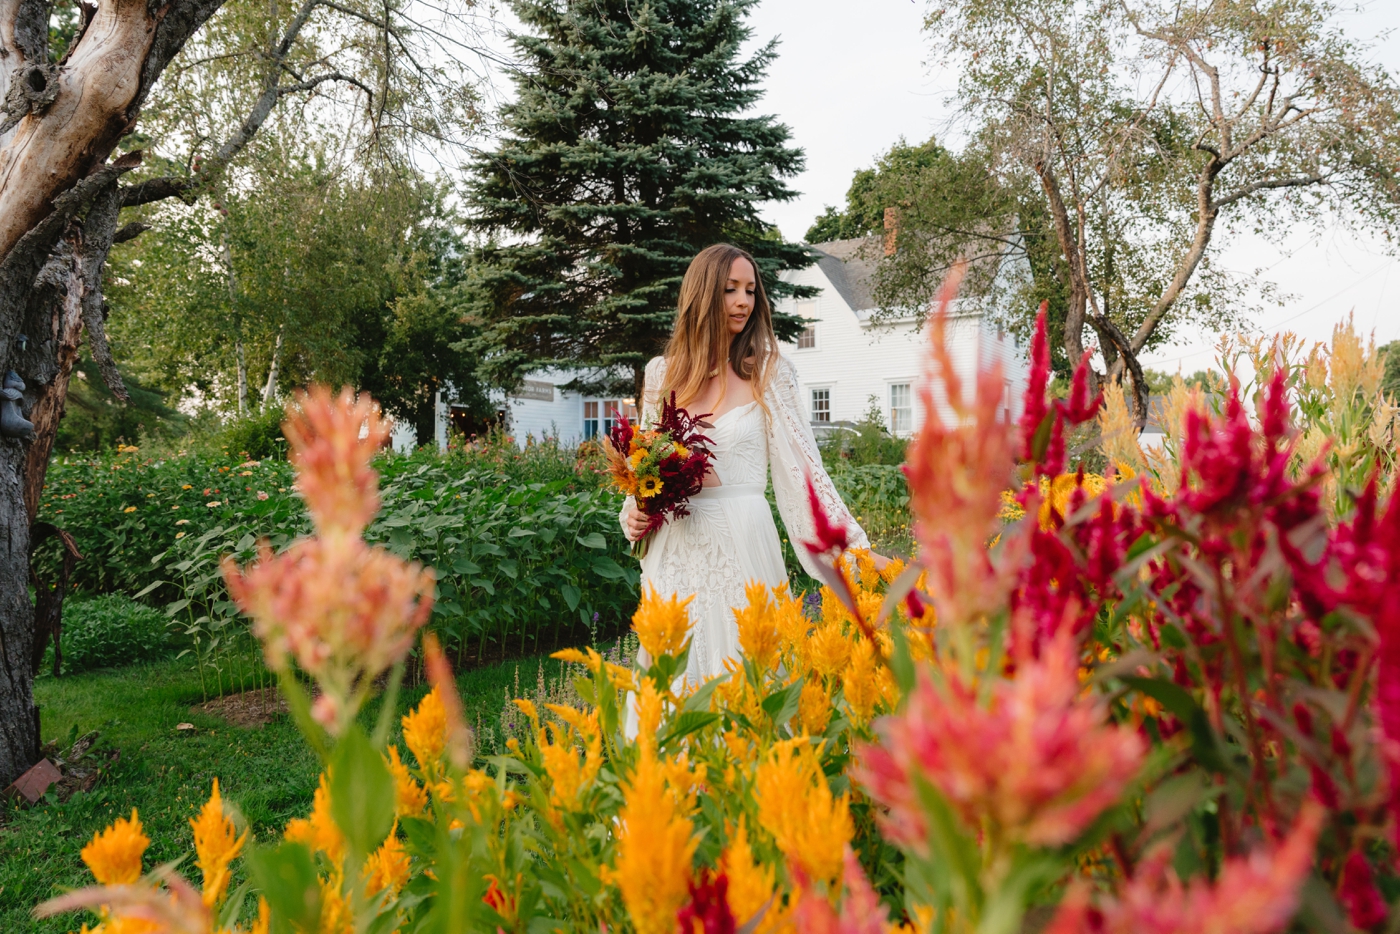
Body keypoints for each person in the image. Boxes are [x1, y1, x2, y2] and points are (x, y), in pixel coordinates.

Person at [621, 243, 888, 688]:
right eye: (730, 290)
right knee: (676, 683)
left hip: (743, 540)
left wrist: (856, 553)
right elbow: (644, 465)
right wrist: (633, 509)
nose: (744, 301)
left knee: (749, 677)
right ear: (702, 295)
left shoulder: (770, 374)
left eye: (750, 290)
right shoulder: (661, 375)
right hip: (675, 550)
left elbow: (804, 476)